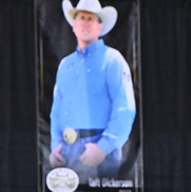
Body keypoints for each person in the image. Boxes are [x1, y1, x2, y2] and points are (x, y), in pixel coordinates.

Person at [49, 0, 136, 180]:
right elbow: (57, 110)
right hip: (68, 150)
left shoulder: (113, 60)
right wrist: (55, 144)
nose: (85, 22)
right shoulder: (66, 65)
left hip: (100, 148)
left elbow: (125, 108)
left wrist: (103, 147)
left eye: (91, 18)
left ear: (100, 26)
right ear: (74, 24)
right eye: (81, 17)